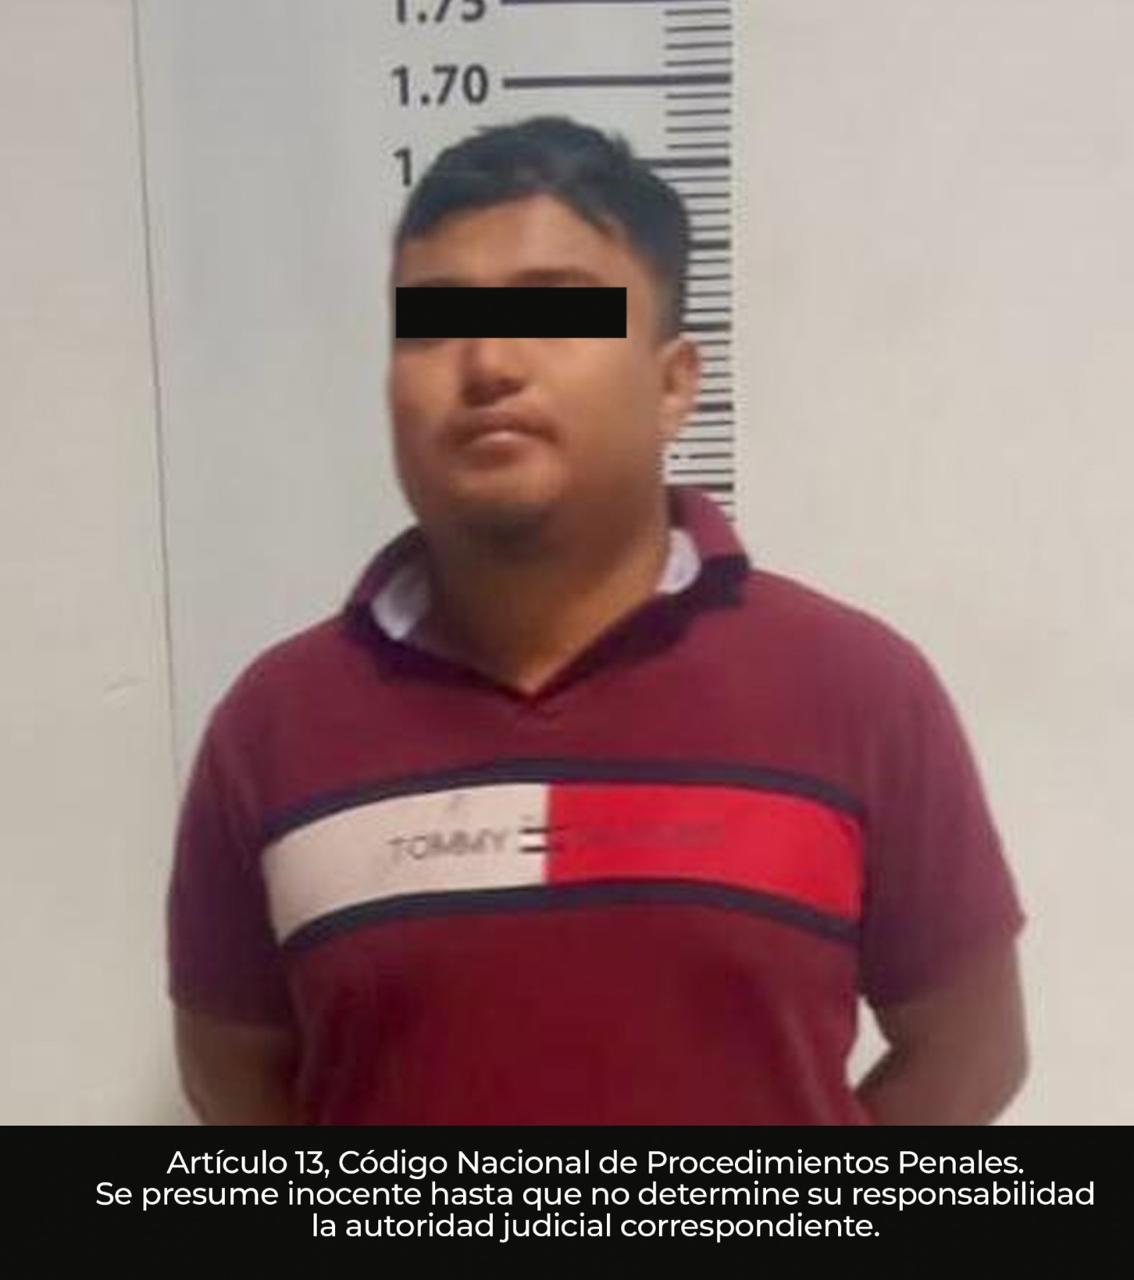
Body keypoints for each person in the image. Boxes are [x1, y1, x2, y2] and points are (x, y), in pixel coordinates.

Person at [168, 115, 1027, 1125]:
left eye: (554, 311)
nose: (488, 363)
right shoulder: (275, 727)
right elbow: (231, 1075)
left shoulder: (857, 691)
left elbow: (970, 1052)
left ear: (673, 384)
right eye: (432, 324)